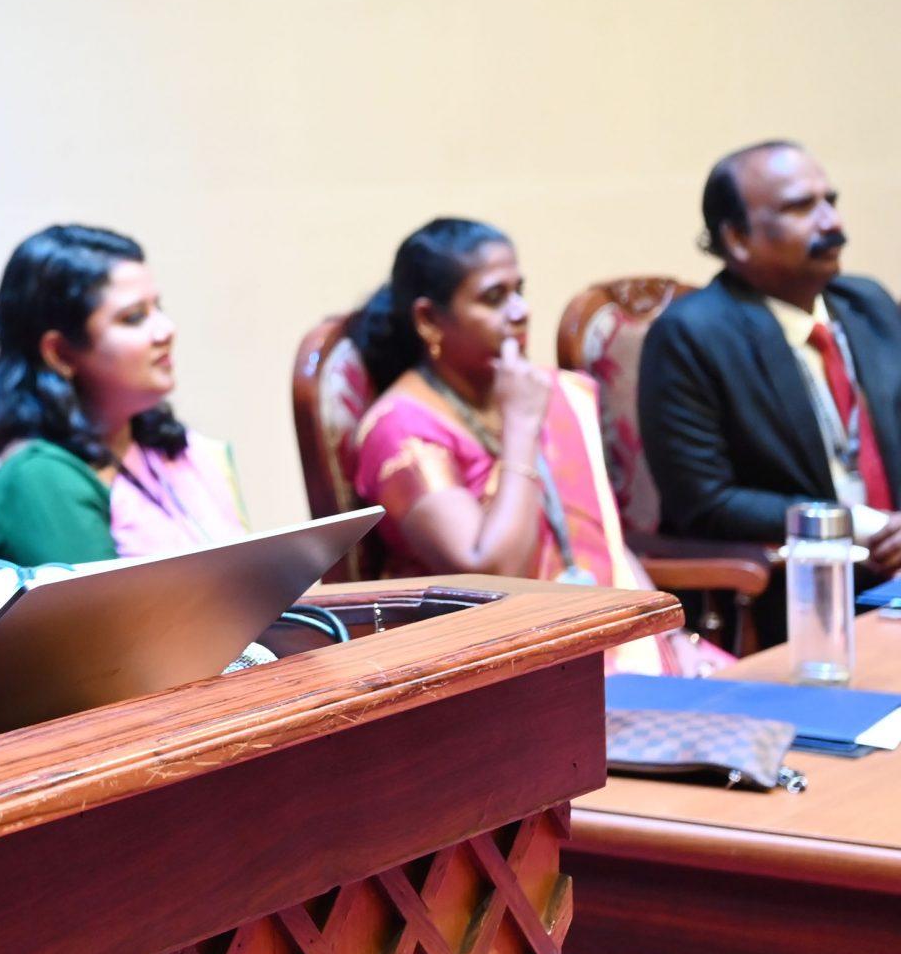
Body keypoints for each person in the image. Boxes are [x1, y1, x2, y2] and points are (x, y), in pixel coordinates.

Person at [342, 219, 713, 673]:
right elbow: (491, 573)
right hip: (511, 673)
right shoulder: (403, 430)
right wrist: (521, 428)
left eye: (520, 290)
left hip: (614, 644)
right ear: (429, 320)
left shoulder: (543, 391)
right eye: (494, 298)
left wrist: (669, 636)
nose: (520, 311)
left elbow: (601, 538)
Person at [639, 142, 901, 588]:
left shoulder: (867, 304)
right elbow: (706, 502)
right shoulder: (692, 334)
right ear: (737, 239)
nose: (832, 223)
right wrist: (864, 525)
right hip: (797, 584)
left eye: (830, 202)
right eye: (801, 207)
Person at [0, 225, 247, 566]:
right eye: (134, 317)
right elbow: (112, 620)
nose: (166, 330)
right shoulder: (39, 481)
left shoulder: (169, 447)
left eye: (158, 308)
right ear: (61, 354)